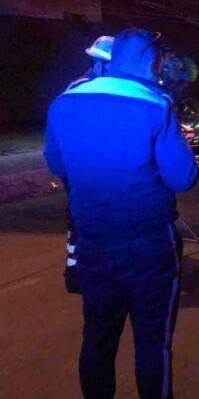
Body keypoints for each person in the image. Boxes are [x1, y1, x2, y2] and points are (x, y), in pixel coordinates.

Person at [44, 28, 199, 399]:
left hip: (93, 244)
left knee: (98, 339)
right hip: (149, 246)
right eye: (157, 62)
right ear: (147, 62)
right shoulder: (155, 104)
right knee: (152, 344)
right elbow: (182, 177)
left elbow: (58, 165)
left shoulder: (64, 102)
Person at [63, 35, 115, 294]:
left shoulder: (79, 86)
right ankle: (83, 273)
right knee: (89, 221)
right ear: (102, 63)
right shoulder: (92, 89)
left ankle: (76, 271)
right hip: (87, 168)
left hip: (78, 167)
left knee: (81, 221)